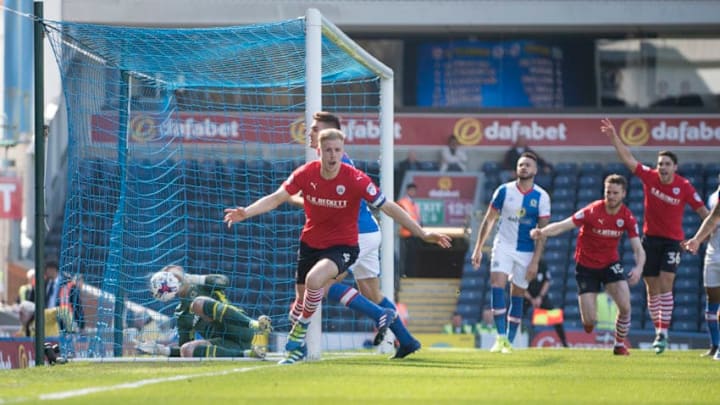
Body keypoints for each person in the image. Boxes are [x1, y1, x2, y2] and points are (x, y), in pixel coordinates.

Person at [224, 128, 452, 364]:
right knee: (351, 294)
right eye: (327, 149)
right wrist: (247, 211)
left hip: (351, 240)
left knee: (319, 283)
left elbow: (388, 206)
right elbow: (279, 197)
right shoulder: (306, 172)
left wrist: (422, 232)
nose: (332, 154)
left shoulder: (354, 177)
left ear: (342, 150)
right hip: (317, 242)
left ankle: (320, 330)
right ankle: (404, 339)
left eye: (337, 150)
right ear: (319, 151)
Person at [293, 111, 424, 358]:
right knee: (372, 294)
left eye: (313, 128)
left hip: (357, 235)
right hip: (368, 232)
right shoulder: (328, 164)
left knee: (322, 283)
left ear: (326, 133)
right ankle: (407, 341)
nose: (309, 131)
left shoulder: (339, 165)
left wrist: (290, 198)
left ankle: (378, 316)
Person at [601, 118, 708, 354]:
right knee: (651, 288)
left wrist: (704, 236)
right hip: (650, 239)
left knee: (666, 283)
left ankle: (663, 334)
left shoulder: (685, 187)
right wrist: (613, 137)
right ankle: (658, 329)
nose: (663, 167)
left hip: (672, 242)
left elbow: (704, 213)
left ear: (675, 167)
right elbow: (628, 159)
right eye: (660, 164)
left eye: (667, 164)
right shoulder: (650, 177)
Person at [530, 174, 645, 356]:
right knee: (589, 323)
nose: (611, 196)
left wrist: (639, 267)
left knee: (625, 306)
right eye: (608, 192)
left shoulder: (627, 217)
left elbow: (638, 248)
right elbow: (563, 225)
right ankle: (589, 315)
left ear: (623, 194)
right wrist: (542, 232)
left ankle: (619, 345)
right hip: (586, 267)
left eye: (615, 193)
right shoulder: (592, 211)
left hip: (610, 264)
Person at [470, 152, 550, 354]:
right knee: (497, 286)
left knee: (518, 294)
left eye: (528, 165)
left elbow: (543, 234)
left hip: (526, 251)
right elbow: (489, 220)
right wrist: (478, 248)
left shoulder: (541, 197)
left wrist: (535, 262)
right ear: (516, 169)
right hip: (503, 246)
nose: (524, 167)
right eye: (521, 164)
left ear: (535, 170)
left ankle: (510, 342)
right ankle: (500, 337)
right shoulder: (503, 191)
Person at [136, 264, 272, 359]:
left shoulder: (202, 284)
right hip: (226, 345)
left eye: (174, 272)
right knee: (187, 350)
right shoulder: (181, 314)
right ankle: (248, 354)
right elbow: (183, 350)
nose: (174, 274)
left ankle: (256, 325)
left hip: (240, 329)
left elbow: (224, 281)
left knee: (198, 303)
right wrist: (161, 350)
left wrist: (190, 278)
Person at [682, 178, 720, 360]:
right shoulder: (715, 197)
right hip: (714, 254)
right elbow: (712, 219)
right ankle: (715, 345)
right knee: (712, 300)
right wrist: (697, 239)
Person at [523, 260, 569, 348]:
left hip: (541, 297)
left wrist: (540, 297)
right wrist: (531, 299)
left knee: (556, 317)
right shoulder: (524, 264)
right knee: (517, 315)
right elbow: (519, 285)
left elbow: (547, 282)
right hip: (526, 297)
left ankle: (564, 343)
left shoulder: (542, 264)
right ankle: (512, 340)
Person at [397, 182, 422, 278]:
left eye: (414, 190)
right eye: (411, 190)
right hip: (406, 234)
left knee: (413, 256)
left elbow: (417, 218)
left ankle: (412, 275)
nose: (413, 192)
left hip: (414, 234)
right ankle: (404, 275)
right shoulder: (402, 202)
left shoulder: (415, 204)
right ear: (407, 191)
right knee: (405, 257)